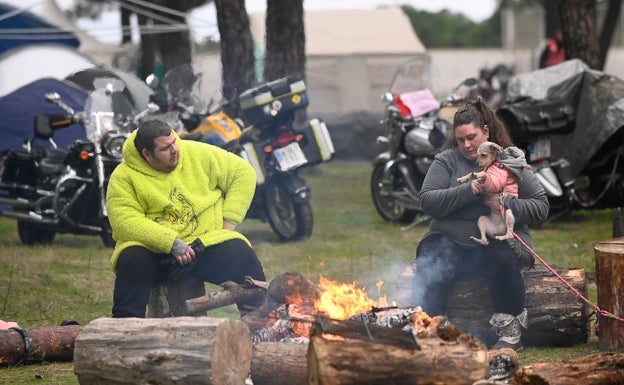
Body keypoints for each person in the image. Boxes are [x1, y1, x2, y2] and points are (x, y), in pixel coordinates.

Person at [410, 98, 549, 351]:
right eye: (460, 139)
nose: (466, 145)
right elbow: (427, 201)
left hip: (496, 242)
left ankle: (510, 333)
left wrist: (505, 203)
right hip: (450, 242)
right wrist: (470, 189)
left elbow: (541, 207)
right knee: (432, 256)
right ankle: (431, 329)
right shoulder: (446, 161)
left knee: (502, 256)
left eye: (472, 137)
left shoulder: (510, 160)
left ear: (486, 131)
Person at [106, 119, 266, 318]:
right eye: (166, 148)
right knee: (131, 260)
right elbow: (124, 220)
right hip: (157, 252)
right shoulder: (124, 177)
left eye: (174, 141)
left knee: (241, 255)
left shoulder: (196, 153)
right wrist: (170, 243)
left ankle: (260, 323)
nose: (175, 150)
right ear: (147, 154)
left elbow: (243, 173)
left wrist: (227, 228)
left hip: (204, 244)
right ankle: (123, 329)